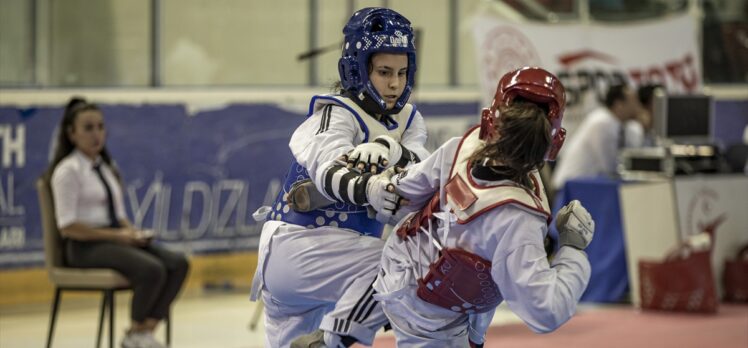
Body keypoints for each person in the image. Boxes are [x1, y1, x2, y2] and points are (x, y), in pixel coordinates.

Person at [368, 67, 595, 347]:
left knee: (488, 267)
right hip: (430, 317)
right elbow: (546, 311)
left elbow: (400, 196)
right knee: (491, 268)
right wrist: (573, 249)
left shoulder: (461, 147)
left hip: (399, 270)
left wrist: (379, 185)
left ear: (491, 120)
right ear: (553, 141)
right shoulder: (518, 218)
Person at [249, 8, 429, 348]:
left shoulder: (408, 120)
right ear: (358, 70)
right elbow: (328, 172)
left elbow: (421, 164)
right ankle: (333, 339)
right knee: (405, 263)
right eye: (384, 72)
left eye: (403, 73)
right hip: (300, 246)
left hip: (341, 257)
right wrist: (372, 188)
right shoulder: (335, 113)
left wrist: (391, 150)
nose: (395, 84)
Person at [48, 97, 189, 348]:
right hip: (83, 247)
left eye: (100, 127)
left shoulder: (106, 168)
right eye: (88, 128)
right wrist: (117, 237)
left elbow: (119, 215)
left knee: (178, 264)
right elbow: (67, 225)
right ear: (71, 134)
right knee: (151, 270)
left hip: (115, 239)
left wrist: (133, 233)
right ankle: (134, 336)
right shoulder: (67, 171)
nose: (96, 134)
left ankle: (142, 331)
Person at [551, 83, 645, 190]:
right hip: (569, 188)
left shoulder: (625, 126)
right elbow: (611, 167)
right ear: (619, 105)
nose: (638, 106)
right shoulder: (602, 122)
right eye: (634, 101)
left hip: (587, 186)